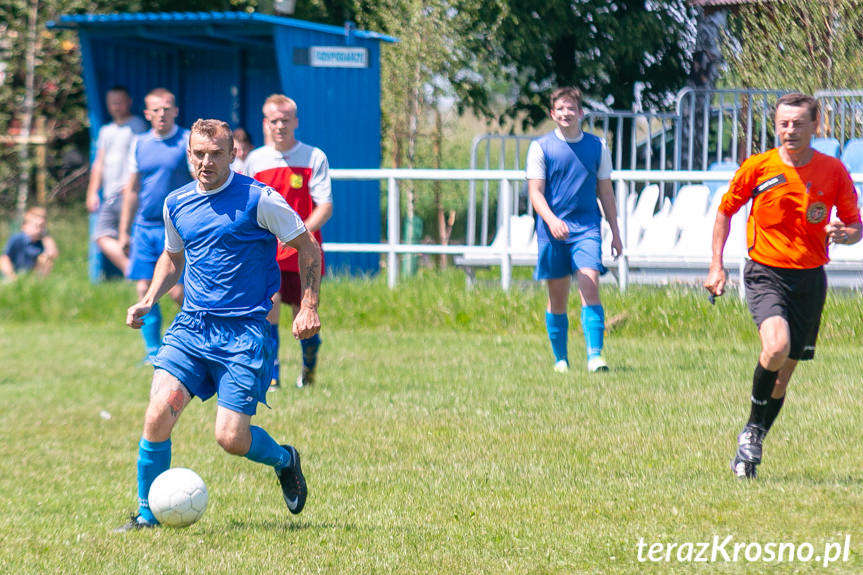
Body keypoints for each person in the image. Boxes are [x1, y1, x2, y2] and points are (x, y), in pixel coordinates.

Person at [115, 119, 321, 531]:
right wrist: (150, 298)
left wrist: (308, 306)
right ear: (188, 154)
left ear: (233, 154)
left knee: (230, 439)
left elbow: (307, 247)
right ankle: (146, 515)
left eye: (215, 154)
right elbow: (173, 258)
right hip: (192, 328)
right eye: (198, 154)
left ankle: (284, 459)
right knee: (157, 414)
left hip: (243, 334)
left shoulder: (259, 199)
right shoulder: (176, 202)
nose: (206, 162)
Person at [704, 92, 862, 479]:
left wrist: (846, 233)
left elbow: (855, 225)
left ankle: (752, 438)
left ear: (816, 127)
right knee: (775, 347)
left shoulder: (833, 171)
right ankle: (751, 436)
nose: (789, 131)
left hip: (810, 279)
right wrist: (716, 267)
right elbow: (725, 212)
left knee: (785, 374)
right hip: (765, 272)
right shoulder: (757, 168)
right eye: (783, 124)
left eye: (798, 124)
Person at [525, 86, 622, 374]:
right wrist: (552, 221)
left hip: (587, 228)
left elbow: (606, 193)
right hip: (552, 231)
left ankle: (595, 356)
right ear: (552, 114)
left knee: (590, 283)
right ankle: (561, 360)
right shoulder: (540, 148)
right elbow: (536, 194)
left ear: (580, 113)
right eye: (561, 109)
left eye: (572, 108)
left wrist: (615, 232)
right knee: (557, 297)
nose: (566, 113)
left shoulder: (597, 147)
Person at [244, 94, 332, 390]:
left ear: (296, 121)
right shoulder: (255, 160)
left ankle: (308, 371)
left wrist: (298, 235)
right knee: (269, 308)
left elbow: (325, 206)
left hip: (304, 252)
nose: (280, 126)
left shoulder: (314, 156)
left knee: (304, 315)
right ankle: (272, 375)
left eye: (285, 120)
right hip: (267, 252)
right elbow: (247, 206)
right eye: (274, 120)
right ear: (265, 123)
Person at [119, 87, 192, 362]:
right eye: (156, 109)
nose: (162, 113)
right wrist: (124, 230)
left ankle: (196, 340)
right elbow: (133, 188)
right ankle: (153, 352)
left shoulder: (187, 141)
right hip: (144, 226)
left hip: (176, 226)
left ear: (176, 111)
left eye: (167, 108)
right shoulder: (139, 143)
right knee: (143, 288)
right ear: (147, 114)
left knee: (177, 292)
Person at [85, 86, 148, 276]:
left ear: (129, 102)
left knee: (130, 237)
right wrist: (92, 192)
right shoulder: (106, 131)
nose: (116, 107)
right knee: (101, 235)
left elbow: (140, 160)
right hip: (109, 195)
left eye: (120, 102)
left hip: (128, 192)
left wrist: (131, 185)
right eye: (112, 103)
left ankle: (141, 275)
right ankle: (133, 271)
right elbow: (99, 163)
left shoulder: (137, 126)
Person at [1, 207, 58, 280]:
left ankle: (36, 282)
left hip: (29, 275)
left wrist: (46, 236)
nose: (39, 229)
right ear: (24, 227)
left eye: (42, 226)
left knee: (46, 260)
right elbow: (4, 259)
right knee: (4, 260)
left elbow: (52, 254)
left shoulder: (41, 242)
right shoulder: (18, 239)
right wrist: (12, 276)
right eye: (36, 226)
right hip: (12, 274)